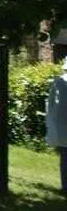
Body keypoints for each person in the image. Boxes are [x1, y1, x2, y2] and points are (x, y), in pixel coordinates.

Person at [46, 58, 67, 193]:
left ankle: (65, 186)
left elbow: (50, 104)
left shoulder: (58, 82)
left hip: (61, 125)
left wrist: (50, 122)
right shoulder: (59, 82)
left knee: (65, 157)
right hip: (62, 124)